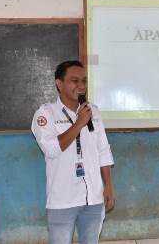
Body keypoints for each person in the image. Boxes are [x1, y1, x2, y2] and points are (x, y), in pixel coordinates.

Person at [31, 60, 115, 244]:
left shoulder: (93, 111)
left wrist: (108, 185)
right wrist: (79, 123)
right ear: (59, 83)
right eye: (74, 80)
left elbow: (103, 150)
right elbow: (51, 149)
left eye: (84, 81)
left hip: (93, 195)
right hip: (62, 198)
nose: (81, 86)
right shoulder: (46, 114)